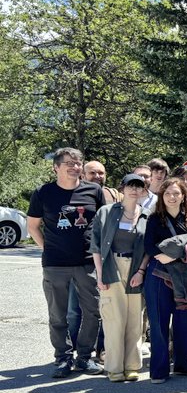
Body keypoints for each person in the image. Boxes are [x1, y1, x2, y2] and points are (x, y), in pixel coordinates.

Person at [27, 147, 106, 378]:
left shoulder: (94, 190)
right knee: (58, 315)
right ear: (56, 167)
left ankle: (83, 358)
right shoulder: (43, 192)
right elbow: (33, 226)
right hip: (55, 264)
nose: (74, 167)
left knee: (93, 312)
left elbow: (102, 225)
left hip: (87, 263)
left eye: (78, 163)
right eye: (69, 163)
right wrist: (47, 248)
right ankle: (62, 357)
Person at [89, 173, 149, 381]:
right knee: (114, 320)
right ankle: (114, 368)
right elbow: (96, 244)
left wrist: (141, 271)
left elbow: (149, 248)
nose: (134, 190)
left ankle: (132, 365)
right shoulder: (106, 212)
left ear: (143, 191)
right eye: (130, 185)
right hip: (111, 267)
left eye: (138, 186)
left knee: (135, 320)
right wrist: (99, 274)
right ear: (122, 188)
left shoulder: (147, 216)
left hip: (136, 269)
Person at [145, 178, 187, 382]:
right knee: (159, 322)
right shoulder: (154, 219)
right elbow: (149, 246)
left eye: (176, 193)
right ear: (162, 196)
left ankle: (183, 365)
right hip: (159, 274)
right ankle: (159, 370)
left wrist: (182, 253)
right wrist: (166, 256)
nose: (172, 197)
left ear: (184, 196)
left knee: (184, 321)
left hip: (185, 275)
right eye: (167, 193)